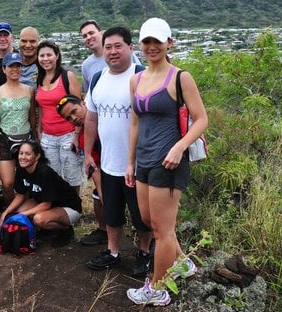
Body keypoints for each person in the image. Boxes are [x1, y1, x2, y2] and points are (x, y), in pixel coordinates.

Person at [126, 18, 208, 306]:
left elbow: (201, 119)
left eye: (157, 42)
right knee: (148, 221)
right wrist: (129, 162)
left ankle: (157, 289)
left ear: (169, 43)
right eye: (147, 41)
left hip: (169, 163)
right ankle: (183, 263)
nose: (151, 47)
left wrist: (179, 148)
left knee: (162, 230)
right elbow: (135, 124)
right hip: (144, 162)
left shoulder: (180, 77)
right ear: (141, 44)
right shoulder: (136, 79)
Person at [83, 26, 153, 276]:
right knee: (112, 212)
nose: (112, 52)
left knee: (141, 215)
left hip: (138, 163)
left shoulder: (142, 76)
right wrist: (88, 153)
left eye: (118, 46)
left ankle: (145, 253)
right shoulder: (98, 78)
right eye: (108, 47)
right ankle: (113, 252)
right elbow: (91, 118)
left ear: (130, 48)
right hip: (109, 161)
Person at [0, 140, 82, 248]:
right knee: (14, 212)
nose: (23, 157)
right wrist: (5, 213)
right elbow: (20, 195)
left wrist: (23, 215)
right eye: (21, 153)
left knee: (38, 219)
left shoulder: (44, 172)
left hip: (68, 207)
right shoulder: (21, 169)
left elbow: (47, 204)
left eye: (28, 154)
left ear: (37, 156)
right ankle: (46, 227)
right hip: (44, 202)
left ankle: (66, 229)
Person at [56, 95, 107, 246]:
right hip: (104, 170)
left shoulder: (106, 118)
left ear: (84, 103)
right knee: (98, 196)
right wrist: (103, 192)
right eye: (68, 118)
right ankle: (104, 230)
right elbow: (95, 167)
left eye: (74, 111)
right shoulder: (85, 137)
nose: (74, 118)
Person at [35, 40, 83, 189]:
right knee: (51, 175)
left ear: (57, 56)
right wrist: (39, 131)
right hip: (48, 137)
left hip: (68, 135)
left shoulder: (67, 76)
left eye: (49, 54)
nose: (45, 59)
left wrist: (76, 135)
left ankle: (74, 207)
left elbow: (78, 107)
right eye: (42, 55)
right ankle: (58, 207)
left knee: (72, 177)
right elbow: (42, 107)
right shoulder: (40, 79)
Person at [0, 52, 36, 203]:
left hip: (26, 139)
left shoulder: (29, 90)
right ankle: (10, 209)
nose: (15, 69)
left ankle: (24, 211)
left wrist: (35, 137)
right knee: (8, 183)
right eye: (11, 66)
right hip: (5, 139)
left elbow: (32, 116)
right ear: (4, 69)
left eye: (18, 66)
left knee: (27, 181)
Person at [80, 19, 141, 93]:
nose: (88, 37)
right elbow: (89, 93)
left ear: (101, 33)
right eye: (84, 36)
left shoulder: (125, 54)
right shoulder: (86, 65)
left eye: (91, 33)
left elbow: (141, 77)